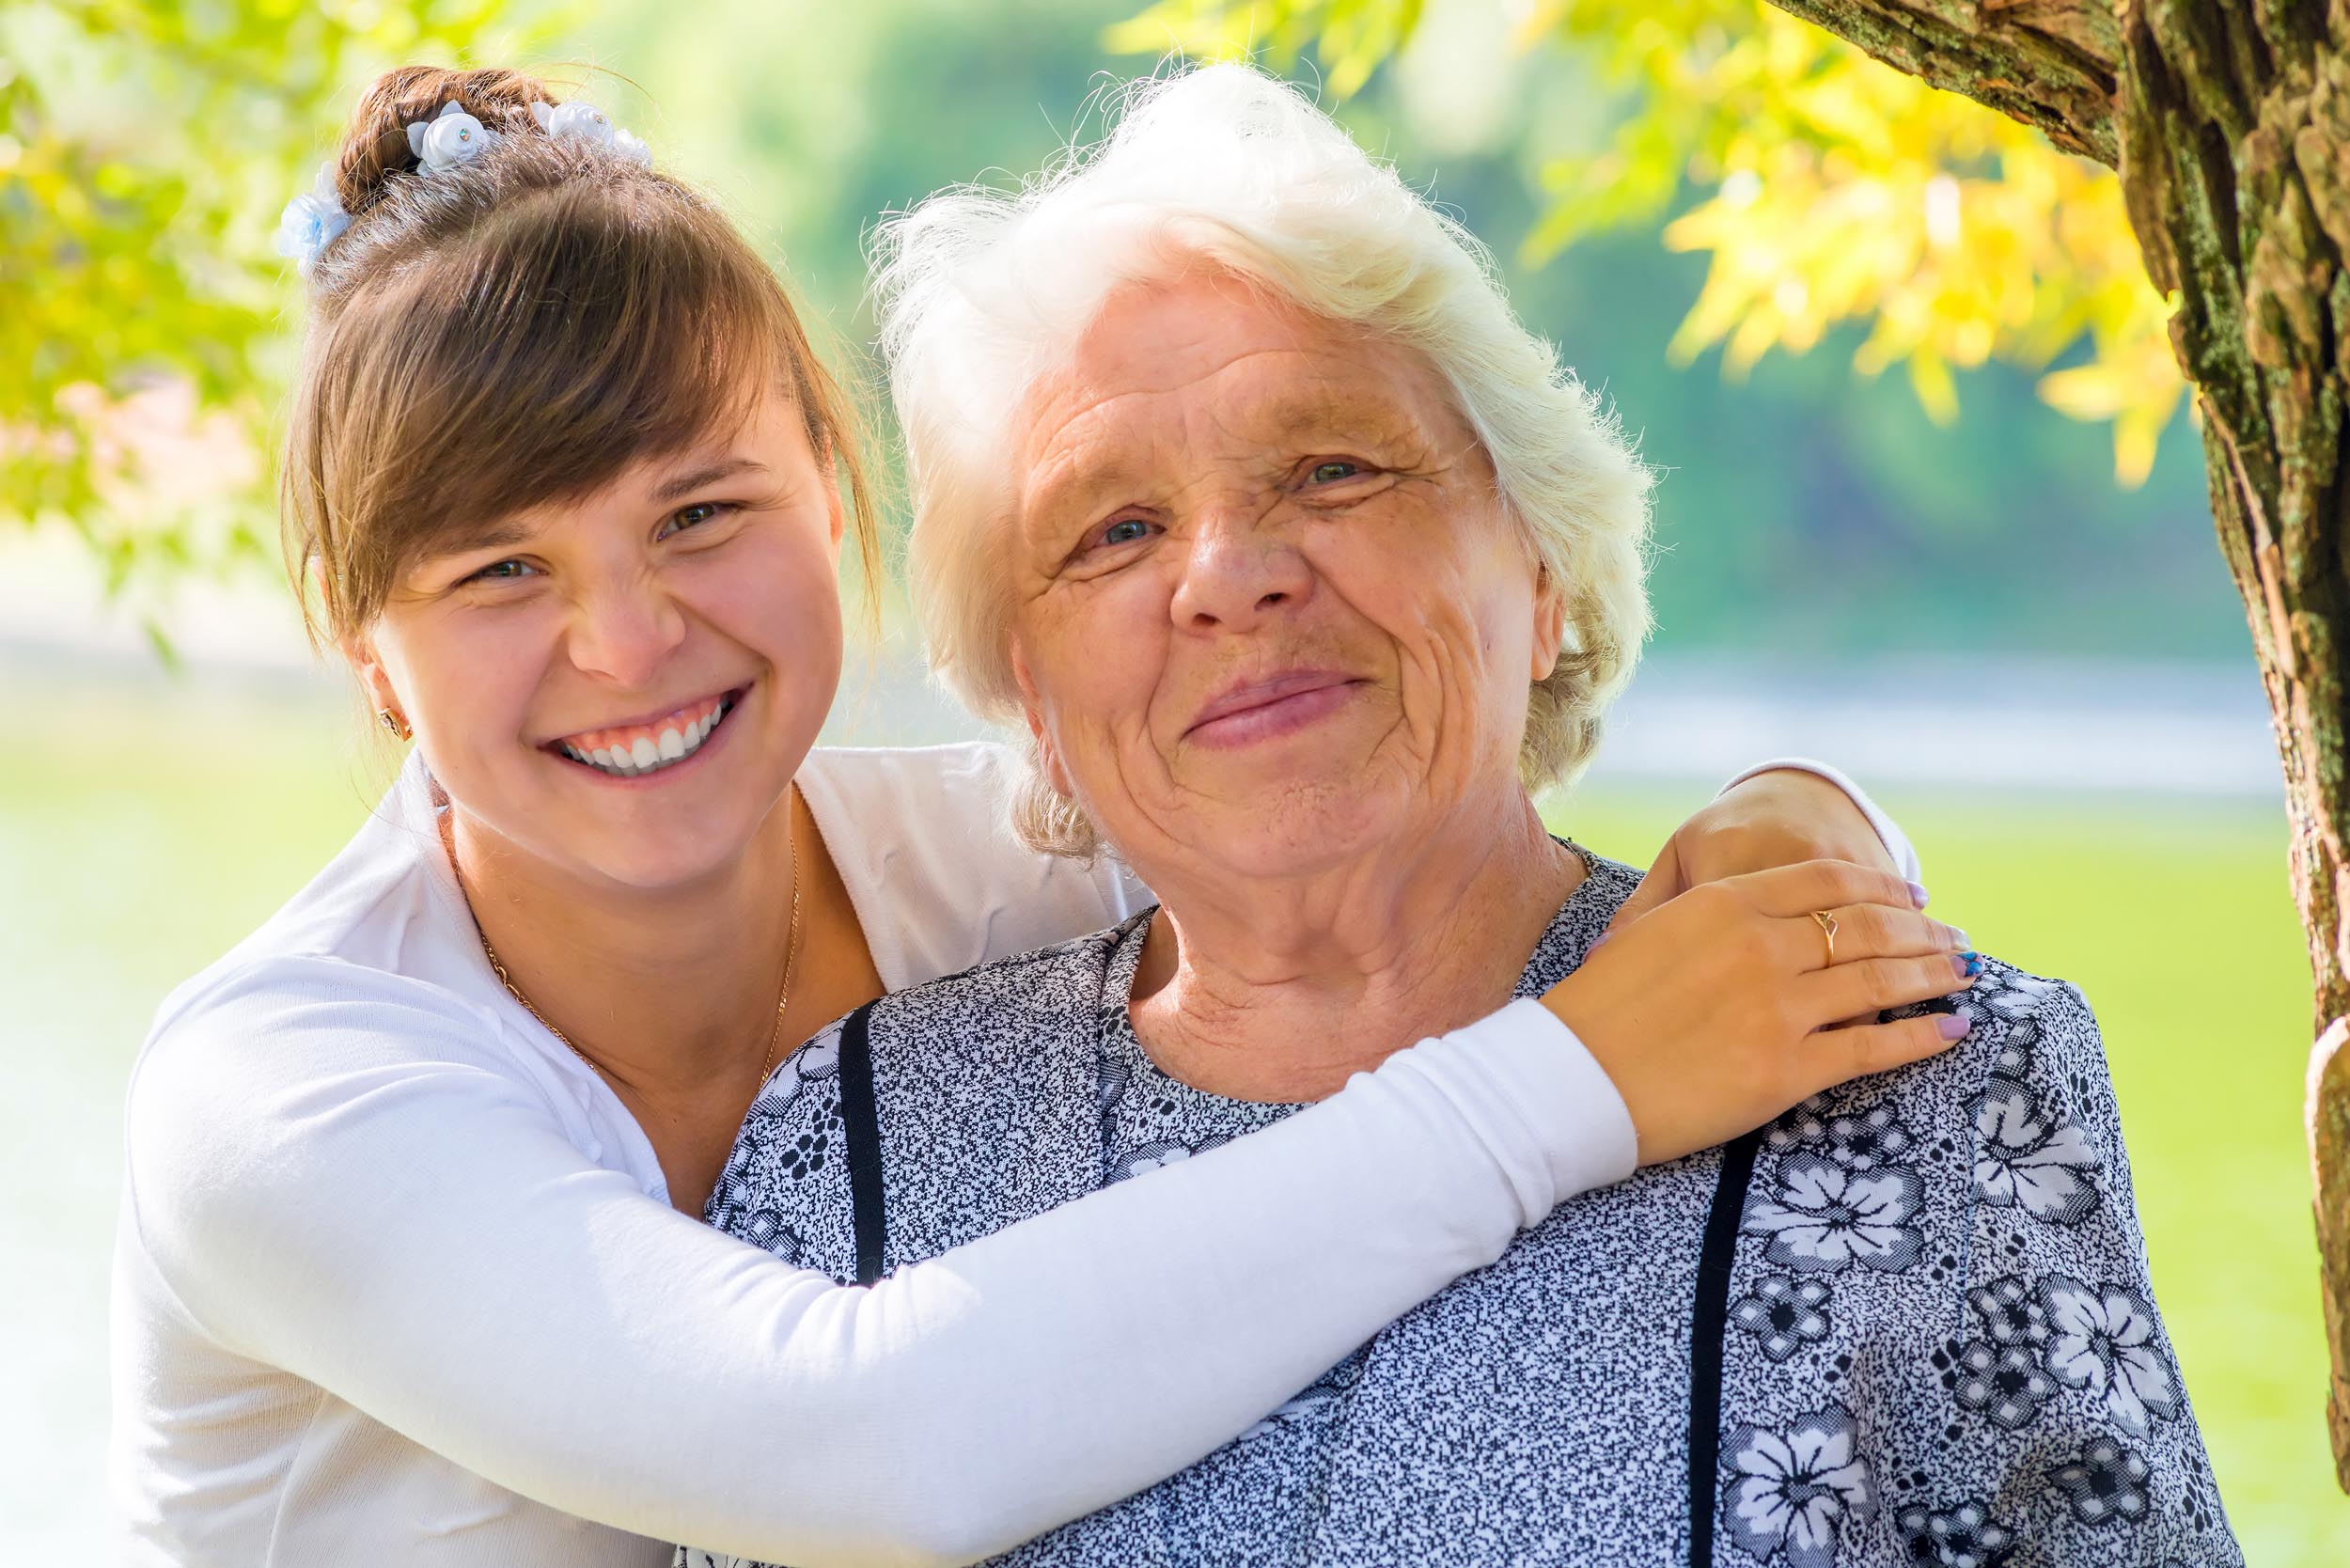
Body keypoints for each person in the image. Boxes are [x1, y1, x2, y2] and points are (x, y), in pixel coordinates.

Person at [111, 65, 1955, 1568]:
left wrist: (1807, 820)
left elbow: (1410, 814)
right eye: (501, 572)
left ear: (835, 506)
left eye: (698, 515)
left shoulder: (1000, 879)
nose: (625, 642)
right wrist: (1575, 1082)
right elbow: (862, 1445)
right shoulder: (280, 1096)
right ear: (369, 660)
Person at [692, 64, 2240, 1568]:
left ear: (1543, 564)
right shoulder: (857, 1145)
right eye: (1116, 529)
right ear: (1032, 692)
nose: (1229, 575)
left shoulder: (1914, 1081)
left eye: (1333, 468)